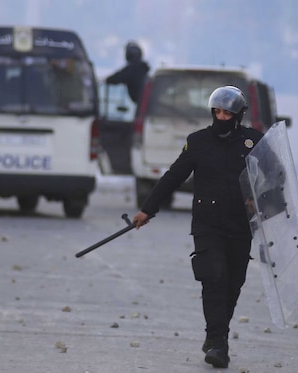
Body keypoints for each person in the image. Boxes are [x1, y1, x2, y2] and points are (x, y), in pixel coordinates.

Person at [132, 85, 263, 369]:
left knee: (233, 284)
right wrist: (147, 209)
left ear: (238, 115)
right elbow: (173, 177)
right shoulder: (199, 142)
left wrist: (263, 204)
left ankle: (215, 334)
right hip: (208, 224)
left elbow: (274, 178)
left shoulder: (254, 142)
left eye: (228, 113)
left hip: (241, 225)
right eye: (217, 111)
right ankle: (219, 343)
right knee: (213, 277)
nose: (221, 117)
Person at [105, 40, 150, 105]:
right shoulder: (143, 69)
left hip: (141, 104)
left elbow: (116, 78)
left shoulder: (132, 69)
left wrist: (106, 80)